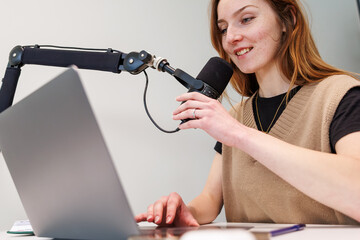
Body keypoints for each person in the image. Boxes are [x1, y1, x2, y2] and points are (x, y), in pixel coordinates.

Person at [135, 0, 360, 226]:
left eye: (246, 19)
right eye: (223, 28)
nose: (231, 37)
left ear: (288, 19)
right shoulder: (235, 117)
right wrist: (188, 211)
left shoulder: (340, 95)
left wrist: (240, 135)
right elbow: (210, 199)